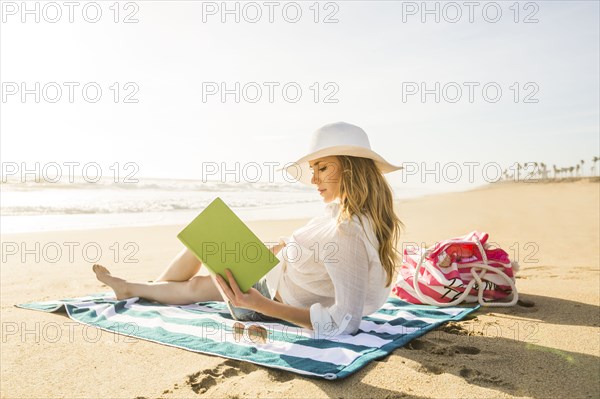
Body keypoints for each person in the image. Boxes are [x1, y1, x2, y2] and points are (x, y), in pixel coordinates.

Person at [93, 121, 403, 337]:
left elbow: (345, 322)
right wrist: (283, 246)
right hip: (273, 275)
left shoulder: (346, 232)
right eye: (314, 169)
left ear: (350, 168)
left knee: (197, 285)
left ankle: (136, 291)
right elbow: (319, 249)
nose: (313, 180)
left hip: (270, 300)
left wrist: (258, 303)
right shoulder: (347, 214)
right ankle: (145, 290)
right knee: (206, 239)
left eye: (322, 168)